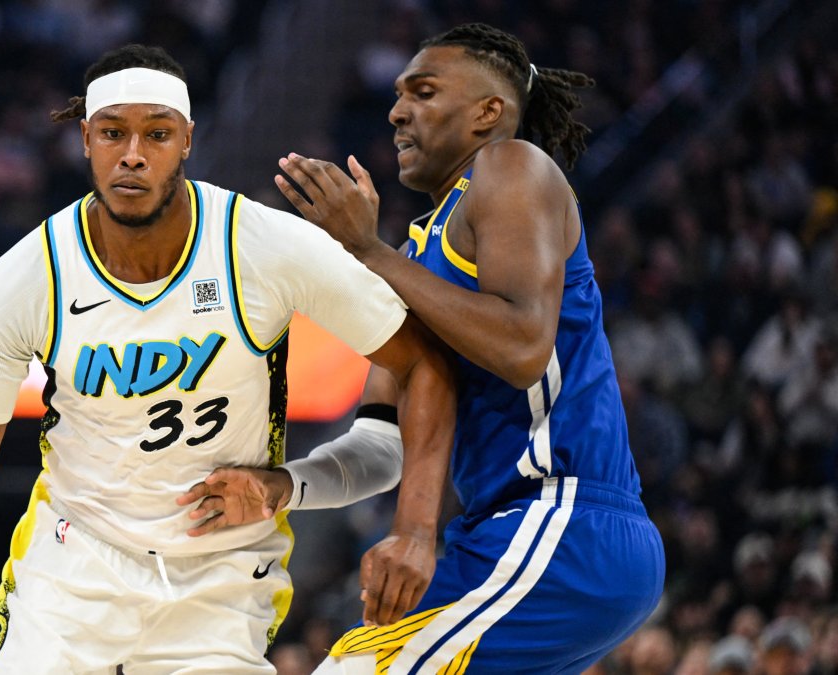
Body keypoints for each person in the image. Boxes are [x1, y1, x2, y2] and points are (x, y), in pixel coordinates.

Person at [0, 44, 456, 674]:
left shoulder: (262, 246)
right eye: (113, 133)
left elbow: (422, 361)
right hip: (70, 573)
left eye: (157, 134)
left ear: (188, 140)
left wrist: (415, 529)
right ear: (85, 139)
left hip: (219, 582)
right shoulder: (30, 276)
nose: (134, 156)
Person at [190, 23, 665, 674]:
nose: (395, 110)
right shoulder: (416, 256)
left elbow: (524, 345)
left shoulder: (511, 168)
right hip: (502, 534)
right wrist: (283, 486)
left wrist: (368, 251)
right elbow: (381, 444)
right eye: (397, 94)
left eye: (423, 91)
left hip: (565, 520)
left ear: (487, 113)